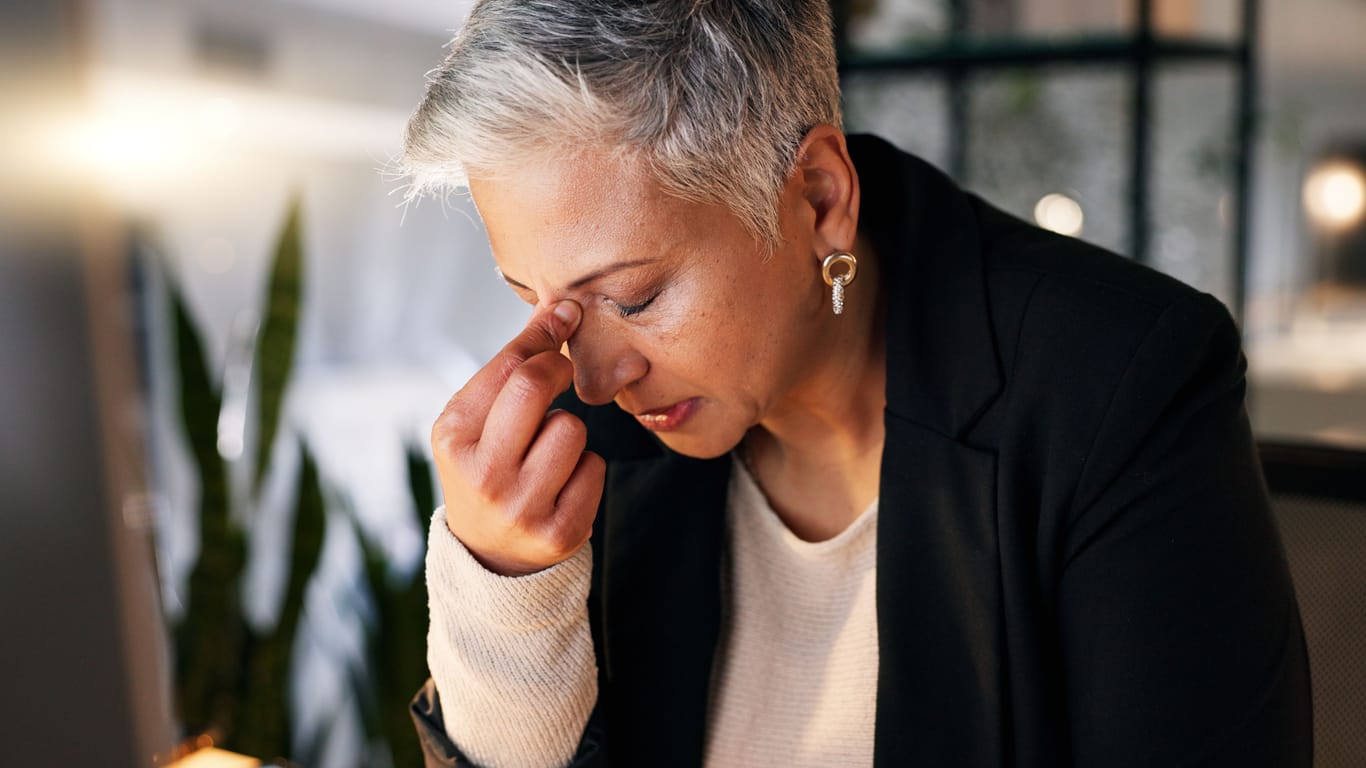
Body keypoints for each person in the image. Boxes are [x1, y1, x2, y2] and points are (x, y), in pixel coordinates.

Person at [399, 1, 1312, 766]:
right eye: (536, 298)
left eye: (634, 297)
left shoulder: (1118, 387)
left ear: (822, 198)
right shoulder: (576, 443)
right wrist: (505, 589)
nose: (594, 379)